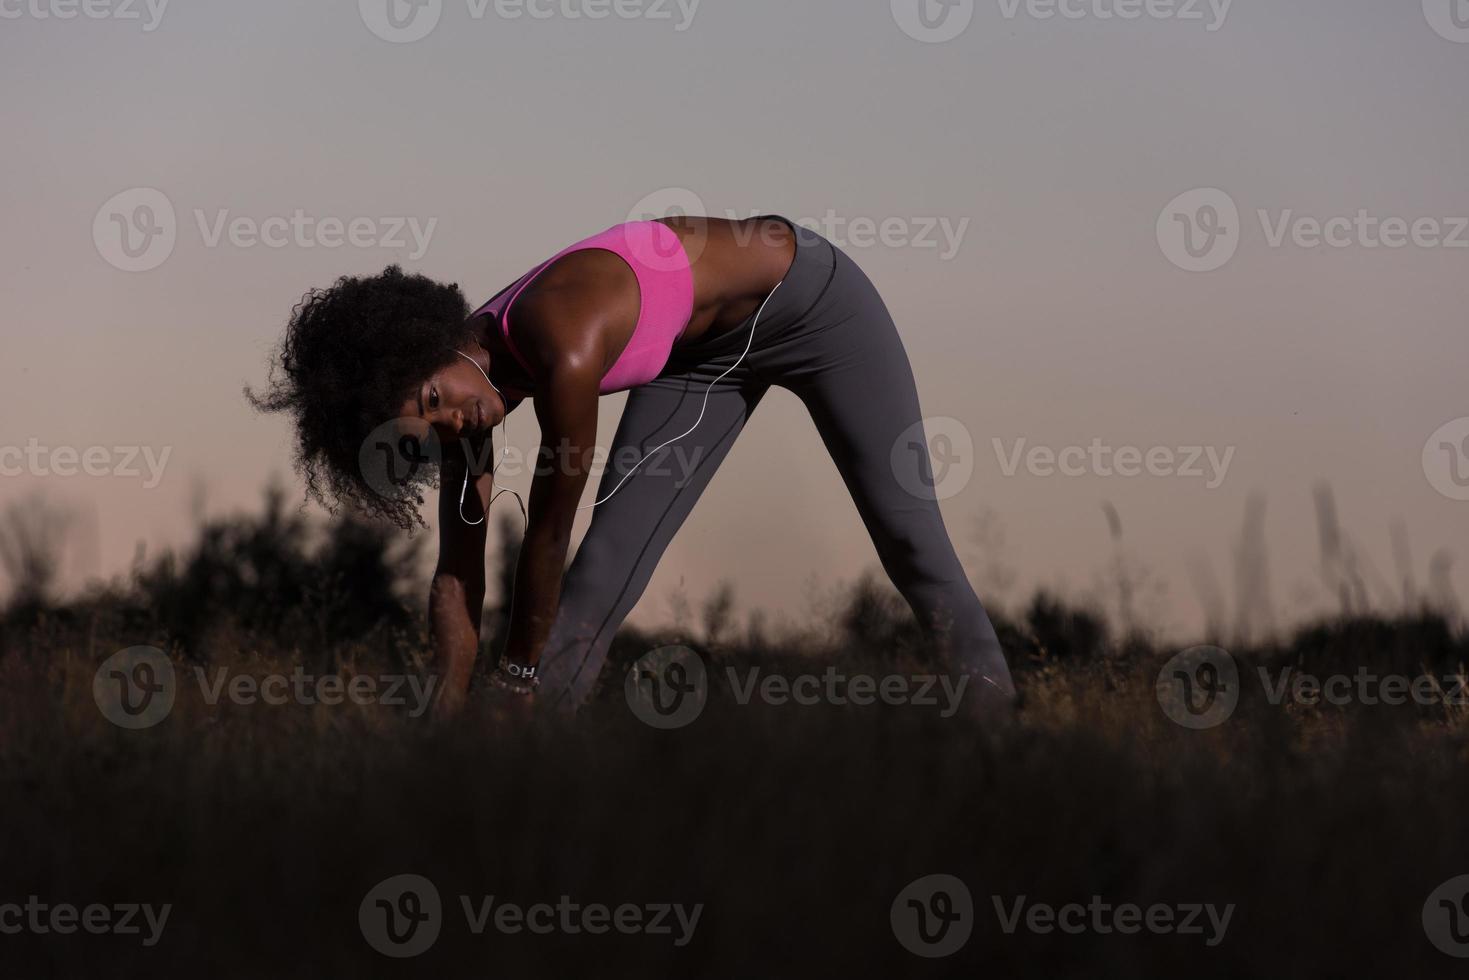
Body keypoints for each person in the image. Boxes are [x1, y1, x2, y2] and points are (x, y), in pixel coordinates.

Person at [249, 214, 1015, 720]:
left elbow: (548, 530)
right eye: (430, 431)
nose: (455, 423)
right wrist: (445, 717)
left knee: (911, 541)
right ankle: (504, 787)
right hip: (697, 362)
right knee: (597, 581)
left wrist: (513, 679)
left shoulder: (562, 335)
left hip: (809, 300)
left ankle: (997, 739)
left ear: (432, 349)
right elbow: (456, 577)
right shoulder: (464, 399)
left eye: (435, 400)